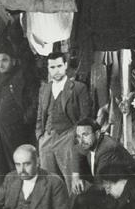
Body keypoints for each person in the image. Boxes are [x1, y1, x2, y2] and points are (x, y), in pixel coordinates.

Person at [36, 51, 93, 191]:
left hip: (68, 137)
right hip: (47, 138)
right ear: (48, 68)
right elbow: (39, 116)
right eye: (52, 67)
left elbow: (85, 119)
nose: (56, 71)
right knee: (49, 182)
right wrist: (40, 137)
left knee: (71, 183)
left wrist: (75, 139)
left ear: (66, 65)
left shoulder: (79, 88)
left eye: (59, 66)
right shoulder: (45, 89)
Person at [0, 47, 38, 188]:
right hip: (2, 128)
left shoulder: (23, 77)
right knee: (2, 161)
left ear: (14, 61)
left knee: (18, 160)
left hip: (18, 129)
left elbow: (33, 101)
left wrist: (25, 118)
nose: (1, 64)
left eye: (5, 60)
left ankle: (22, 190)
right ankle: (7, 191)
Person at [71, 117, 135, 194]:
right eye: (78, 136)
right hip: (111, 188)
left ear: (97, 134)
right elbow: (76, 150)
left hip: (131, 192)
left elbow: (100, 184)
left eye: (85, 135)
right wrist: (75, 177)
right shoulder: (88, 143)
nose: (81, 141)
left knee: (82, 199)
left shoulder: (108, 150)